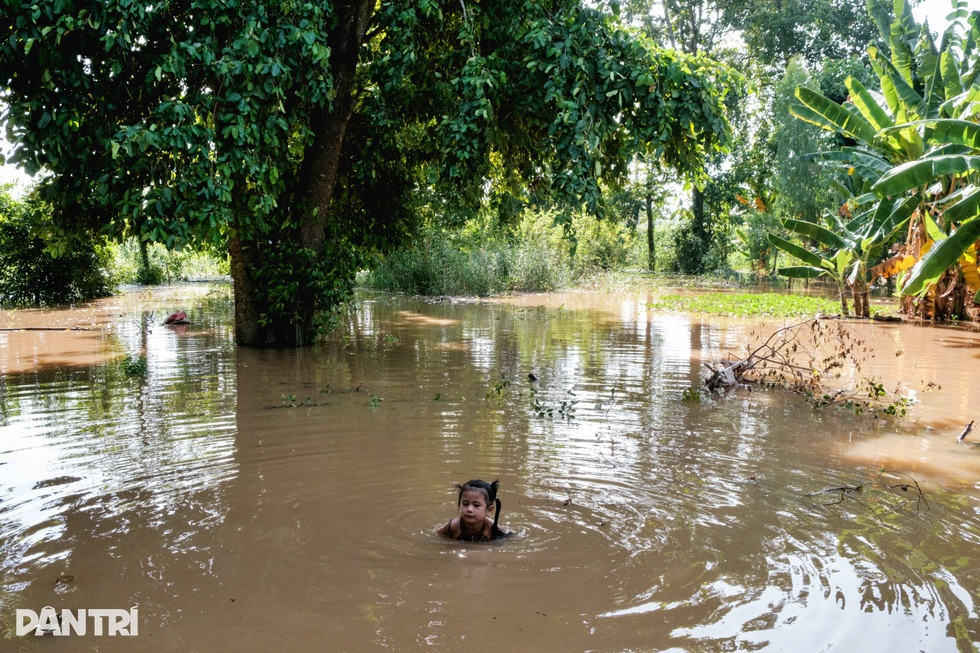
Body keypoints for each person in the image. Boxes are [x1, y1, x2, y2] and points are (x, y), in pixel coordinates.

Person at [437, 479, 511, 542]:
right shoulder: (453, 526)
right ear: (459, 506)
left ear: (489, 510)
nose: (469, 509)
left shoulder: (493, 529)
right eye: (465, 504)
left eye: (476, 505)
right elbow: (436, 535)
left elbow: (508, 541)